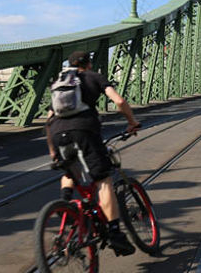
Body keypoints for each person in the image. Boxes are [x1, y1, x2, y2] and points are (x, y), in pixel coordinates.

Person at [45, 50, 142, 256]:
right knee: (103, 180)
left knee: (70, 171)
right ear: (88, 64)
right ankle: (115, 234)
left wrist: (53, 151)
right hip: (85, 131)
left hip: (57, 133)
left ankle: (65, 207)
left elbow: (49, 118)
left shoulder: (61, 82)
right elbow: (119, 101)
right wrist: (132, 122)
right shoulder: (94, 77)